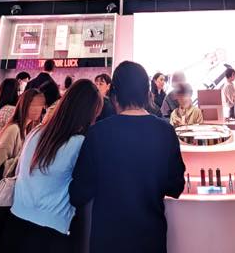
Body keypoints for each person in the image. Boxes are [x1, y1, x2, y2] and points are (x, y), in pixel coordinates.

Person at [70, 61, 186, 253]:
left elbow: (78, 193)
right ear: (147, 93)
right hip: (150, 239)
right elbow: (175, 187)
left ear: (114, 95)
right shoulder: (165, 132)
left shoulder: (98, 133)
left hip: (107, 240)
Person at [2, 80, 103, 250]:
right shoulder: (79, 144)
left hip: (14, 224)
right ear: (90, 113)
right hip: (50, 232)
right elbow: (81, 192)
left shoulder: (35, 133)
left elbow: (20, 173)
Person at [0, 89, 46, 192]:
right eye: (34, 105)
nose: (38, 109)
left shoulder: (25, 130)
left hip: (3, 189)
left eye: (40, 105)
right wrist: (25, 159)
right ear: (25, 105)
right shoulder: (13, 129)